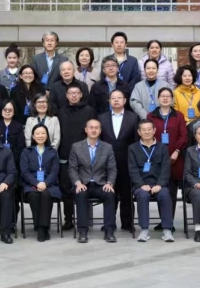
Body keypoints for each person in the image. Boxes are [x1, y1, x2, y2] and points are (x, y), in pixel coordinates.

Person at [69, 119, 117, 243]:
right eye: (91, 127)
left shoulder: (107, 147)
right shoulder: (76, 147)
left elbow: (112, 168)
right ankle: (82, 231)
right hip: (83, 183)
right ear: (86, 130)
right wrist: (78, 183)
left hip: (101, 184)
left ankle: (109, 231)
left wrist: (109, 183)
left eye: (96, 128)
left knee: (110, 194)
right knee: (81, 194)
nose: (94, 130)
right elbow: (72, 169)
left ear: (100, 130)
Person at [56, 83, 97, 229]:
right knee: (66, 189)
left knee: (85, 187)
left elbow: (93, 133)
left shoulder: (89, 111)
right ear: (66, 96)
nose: (73, 95)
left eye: (76, 93)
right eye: (71, 93)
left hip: (85, 155)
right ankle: (68, 220)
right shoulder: (60, 112)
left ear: (81, 95)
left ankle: (85, 219)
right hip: (65, 155)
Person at [128, 119, 175, 243]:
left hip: (159, 184)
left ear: (154, 130)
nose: (147, 132)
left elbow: (165, 168)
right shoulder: (133, 148)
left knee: (164, 194)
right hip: (141, 185)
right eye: (144, 130)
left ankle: (167, 229)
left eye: (149, 129)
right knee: (143, 195)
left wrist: (160, 184)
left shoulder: (162, 147)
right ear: (139, 132)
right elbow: (133, 169)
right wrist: (141, 185)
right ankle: (144, 230)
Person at [99, 90, 139, 231]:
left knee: (126, 192)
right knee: (110, 192)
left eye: (119, 98)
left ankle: (127, 223)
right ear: (109, 101)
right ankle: (109, 223)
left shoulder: (133, 117)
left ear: (125, 100)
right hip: (107, 161)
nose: (116, 100)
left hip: (126, 160)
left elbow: (136, 141)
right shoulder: (102, 118)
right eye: (113, 98)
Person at [147, 87, 188, 228]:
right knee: (160, 189)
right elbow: (148, 135)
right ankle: (163, 221)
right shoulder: (151, 116)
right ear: (158, 99)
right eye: (162, 96)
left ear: (172, 99)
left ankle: (168, 221)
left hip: (174, 159)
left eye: (168, 96)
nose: (165, 98)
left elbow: (183, 136)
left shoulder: (179, 116)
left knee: (171, 191)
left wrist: (177, 151)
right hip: (156, 158)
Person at [20, 124, 61, 242]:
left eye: (43, 133)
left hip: (49, 184)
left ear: (47, 136)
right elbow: (25, 171)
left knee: (46, 194)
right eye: (37, 133)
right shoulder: (26, 151)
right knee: (34, 195)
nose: (40, 136)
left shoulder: (53, 152)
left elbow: (54, 171)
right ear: (33, 136)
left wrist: (45, 183)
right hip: (31, 184)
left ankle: (43, 228)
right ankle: (39, 226)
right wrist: (37, 183)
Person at [0, 99, 26, 226]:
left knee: (14, 196)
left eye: (10, 110)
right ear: (1, 110)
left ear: (14, 112)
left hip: (14, 165)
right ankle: (1, 222)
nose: (7, 112)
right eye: (5, 109)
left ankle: (12, 222)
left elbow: (21, 147)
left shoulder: (18, 127)